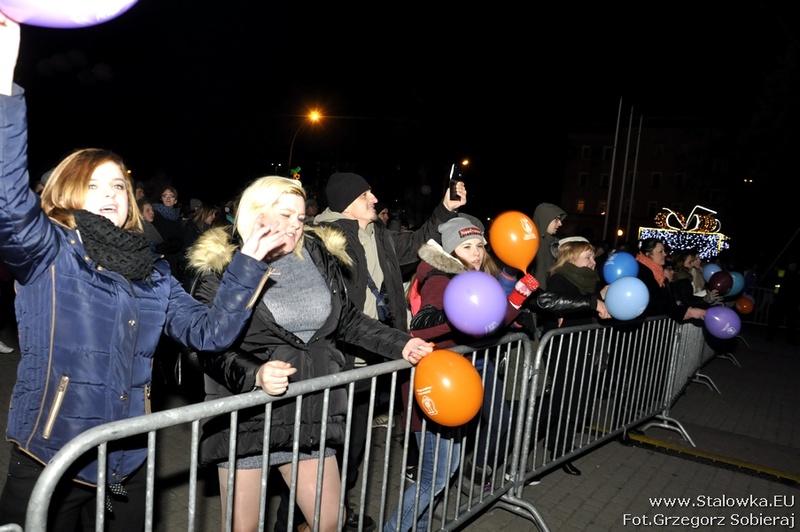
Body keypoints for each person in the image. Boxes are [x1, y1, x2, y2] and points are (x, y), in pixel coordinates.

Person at [0, 16, 280, 530]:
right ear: (66, 191)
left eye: (118, 186)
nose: (111, 194)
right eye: (94, 185)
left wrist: (250, 263)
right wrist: (3, 90)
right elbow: (6, 197)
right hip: (52, 457)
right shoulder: (48, 249)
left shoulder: (151, 270)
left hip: (124, 461)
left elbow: (210, 332)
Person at [185, 176, 434, 532]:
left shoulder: (315, 253)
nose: (295, 225)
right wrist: (255, 373)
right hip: (249, 413)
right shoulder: (222, 263)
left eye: (301, 218)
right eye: (285, 215)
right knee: (244, 528)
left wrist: (400, 343)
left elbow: (345, 319)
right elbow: (205, 345)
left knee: (329, 520)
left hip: (310, 408)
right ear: (257, 213)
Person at [273, 171, 466, 532]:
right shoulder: (323, 238)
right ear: (347, 202)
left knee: (352, 449)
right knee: (314, 454)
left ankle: (335, 515)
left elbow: (419, 241)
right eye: (365, 195)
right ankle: (294, 522)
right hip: (335, 364)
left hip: (370, 364)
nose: (374, 199)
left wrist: (444, 209)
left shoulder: (379, 234)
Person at [385, 214, 537, 532]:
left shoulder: (469, 279)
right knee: (435, 478)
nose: (477, 252)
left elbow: (485, 323)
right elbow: (422, 325)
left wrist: (515, 299)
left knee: (442, 473)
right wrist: (457, 314)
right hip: (434, 385)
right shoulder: (439, 277)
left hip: (453, 386)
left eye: (480, 245)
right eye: (467, 246)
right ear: (451, 250)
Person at [533, 236, 611, 477]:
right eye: (587, 257)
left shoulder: (589, 282)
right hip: (564, 351)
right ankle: (525, 452)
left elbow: (591, 308)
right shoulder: (559, 278)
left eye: (593, 257)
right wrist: (593, 302)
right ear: (571, 256)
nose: (593, 262)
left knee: (575, 402)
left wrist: (602, 297)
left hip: (583, 349)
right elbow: (557, 304)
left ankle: (561, 450)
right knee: (557, 404)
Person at [635, 238, 706, 322]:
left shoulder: (657, 272)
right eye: (660, 251)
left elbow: (666, 300)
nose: (665, 254)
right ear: (648, 254)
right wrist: (686, 312)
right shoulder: (643, 273)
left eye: (664, 251)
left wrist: (685, 311)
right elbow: (658, 301)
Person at [151, 184, 187, 280]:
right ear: (161, 199)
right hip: (161, 260)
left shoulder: (177, 216)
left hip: (174, 259)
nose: (168, 198)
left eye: (171, 196)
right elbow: (159, 240)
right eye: (165, 196)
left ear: (175, 201)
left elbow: (180, 238)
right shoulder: (155, 215)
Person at [530, 202, 567, 290]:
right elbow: (540, 277)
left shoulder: (551, 242)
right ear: (545, 219)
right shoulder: (535, 244)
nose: (560, 224)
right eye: (556, 219)